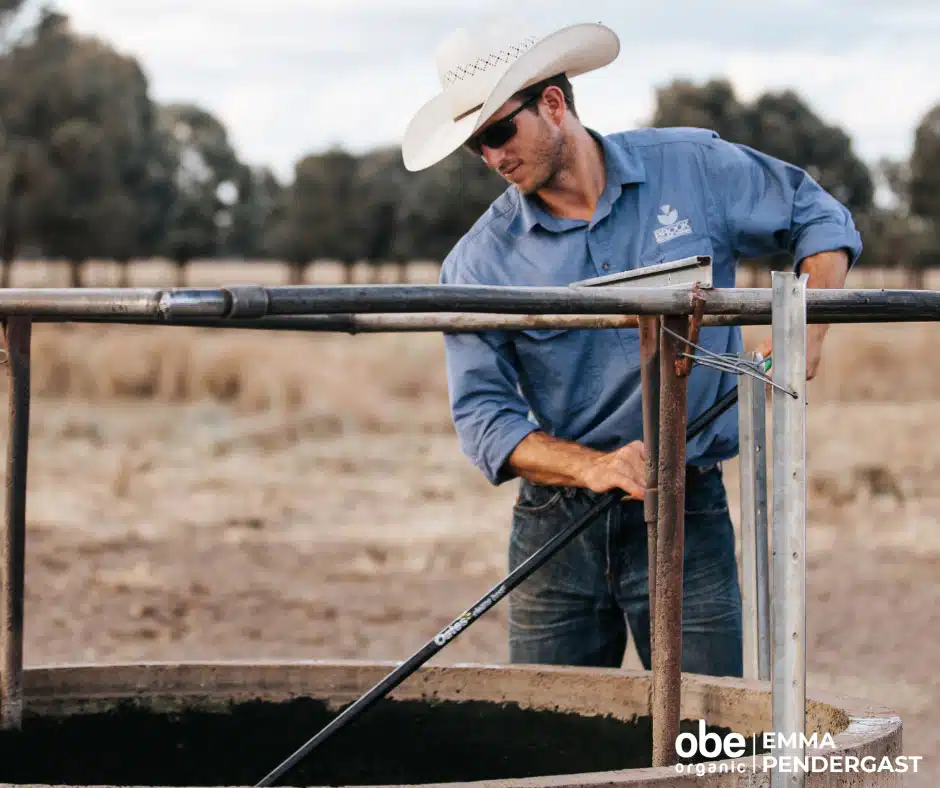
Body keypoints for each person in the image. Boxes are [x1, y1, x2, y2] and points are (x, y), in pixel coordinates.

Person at [400, 22, 860, 676]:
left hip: (687, 504)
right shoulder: (476, 262)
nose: (492, 159)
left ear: (554, 104)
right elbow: (483, 419)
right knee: (549, 747)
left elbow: (819, 216)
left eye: (498, 132)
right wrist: (593, 467)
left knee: (709, 740)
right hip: (555, 526)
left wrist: (803, 333)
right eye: (475, 147)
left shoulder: (692, 167)